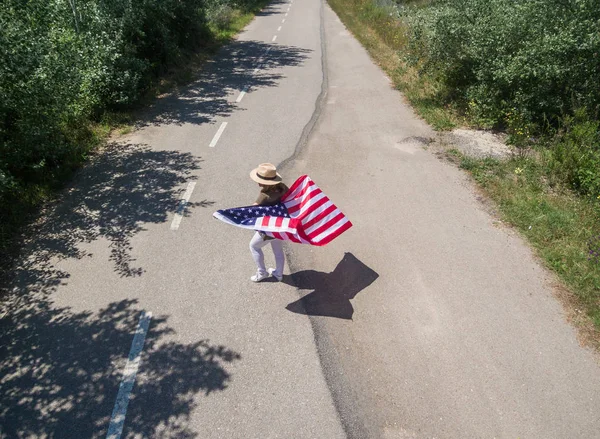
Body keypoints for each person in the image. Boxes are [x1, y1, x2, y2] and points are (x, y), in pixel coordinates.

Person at [248, 163, 289, 282]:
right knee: (278, 250)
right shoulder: (283, 188)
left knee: (254, 246)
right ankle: (279, 273)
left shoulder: (263, 195)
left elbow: (253, 211)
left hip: (268, 228)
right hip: (280, 225)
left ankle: (262, 272)